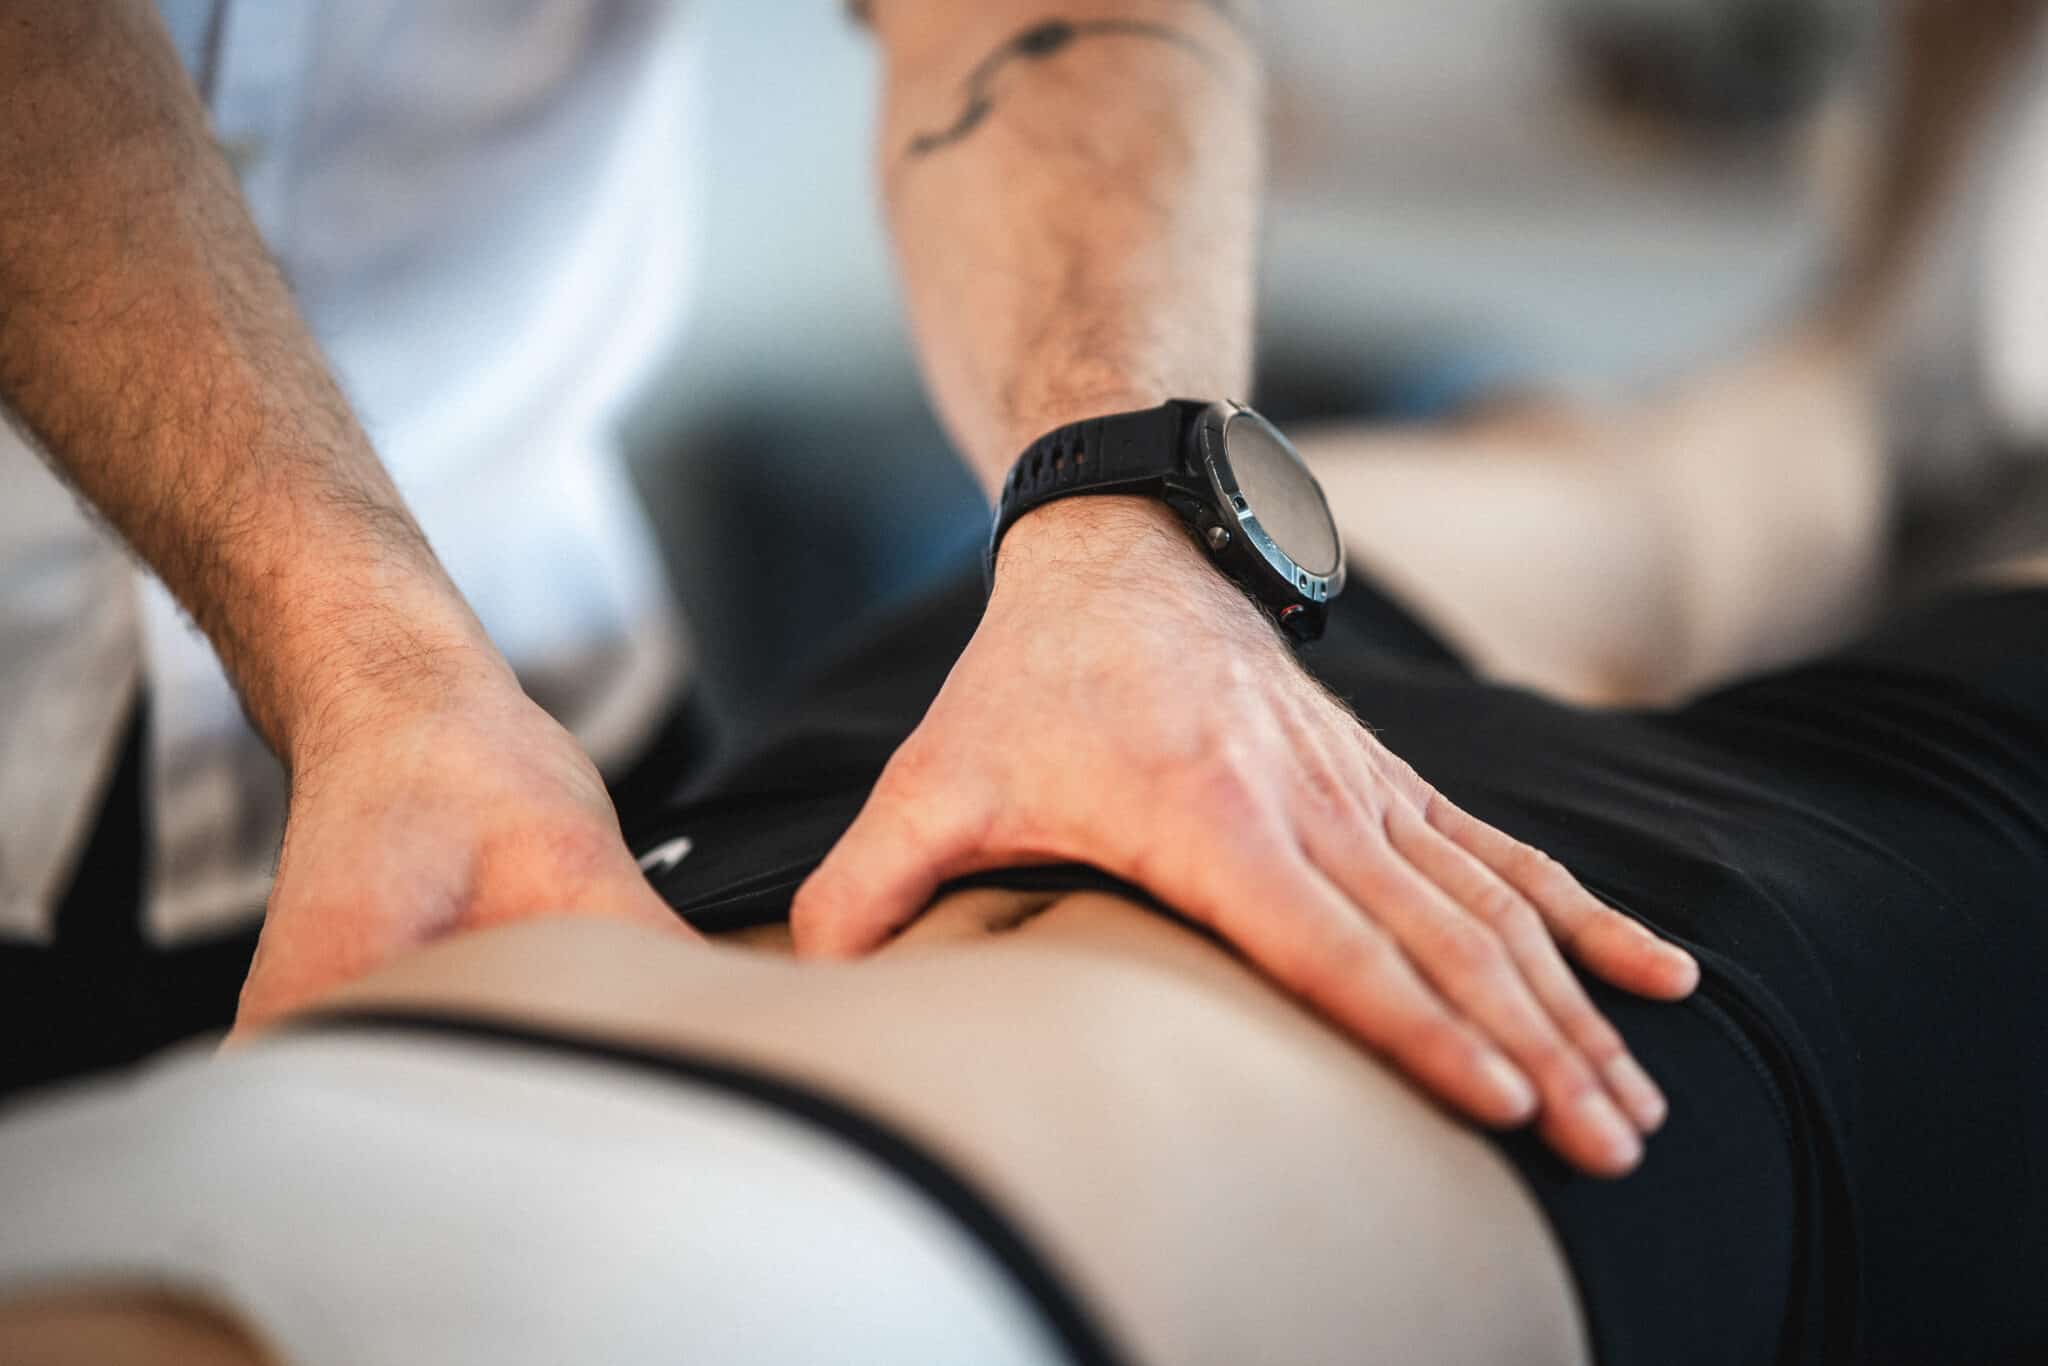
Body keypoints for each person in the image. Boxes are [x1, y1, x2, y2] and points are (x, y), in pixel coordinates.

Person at [3, 269, 2046, 1360]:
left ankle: (1899, 311)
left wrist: (1119, 545)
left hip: (973, 748)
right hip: (1522, 1027)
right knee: (1806, 504)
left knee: (1738, 457)